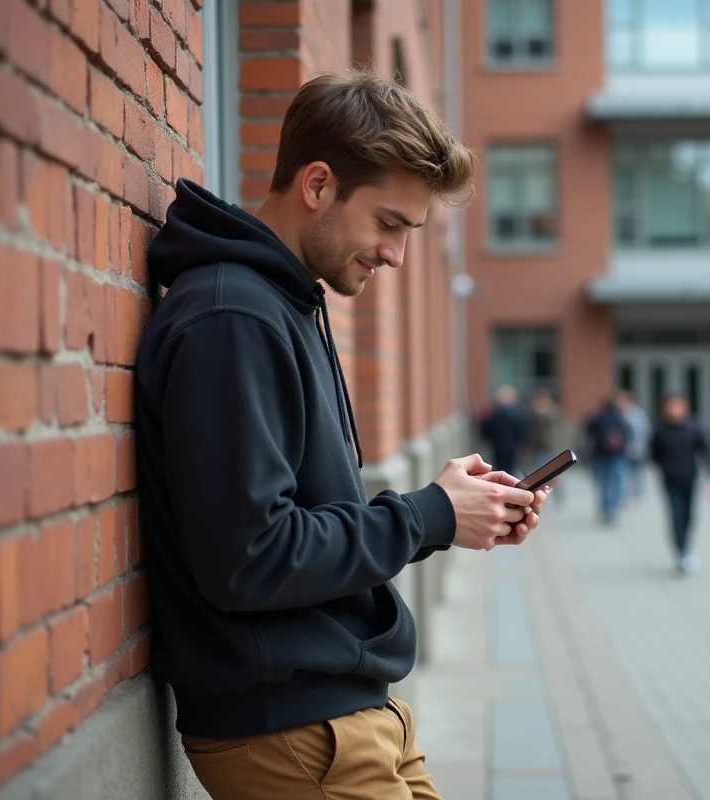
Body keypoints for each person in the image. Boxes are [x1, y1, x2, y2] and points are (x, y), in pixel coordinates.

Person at [134, 71, 549, 800]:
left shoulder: (283, 303)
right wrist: (426, 514)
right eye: (389, 223)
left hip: (348, 716)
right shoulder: (233, 319)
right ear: (318, 185)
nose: (395, 254)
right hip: (292, 734)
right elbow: (249, 557)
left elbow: (301, 518)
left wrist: (447, 513)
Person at [650, 394, 710, 575]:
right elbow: (653, 455)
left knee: (689, 516)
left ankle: (686, 548)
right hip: (670, 480)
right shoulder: (660, 430)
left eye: (679, 406)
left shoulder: (693, 428)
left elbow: (707, 451)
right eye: (671, 406)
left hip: (689, 478)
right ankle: (680, 552)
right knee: (676, 515)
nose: (675, 410)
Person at [585, 396, 633, 525]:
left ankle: (605, 508)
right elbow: (628, 433)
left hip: (599, 456)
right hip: (616, 456)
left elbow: (589, 435)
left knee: (603, 484)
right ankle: (612, 508)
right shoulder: (619, 418)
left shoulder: (597, 418)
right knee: (616, 482)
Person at [526, 388, 567, 503]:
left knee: (556, 472)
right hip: (538, 447)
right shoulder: (533, 412)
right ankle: (540, 494)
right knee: (538, 472)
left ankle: (558, 495)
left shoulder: (554, 411)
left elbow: (557, 424)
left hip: (552, 447)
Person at [479, 385, 526, 476]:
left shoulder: (494, 413)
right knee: (510, 469)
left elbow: (486, 429)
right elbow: (521, 430)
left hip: (497, 446)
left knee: (498, 468)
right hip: (512, 446)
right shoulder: (516, 413)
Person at [616, 391, 651, 506]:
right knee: (623, 473)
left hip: (636, 448)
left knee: (636, 473)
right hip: (622, 449)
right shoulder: (618, 413)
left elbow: (643, 430)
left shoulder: (637, 414)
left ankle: (636, 496)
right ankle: (624, 497)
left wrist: (642, 446)